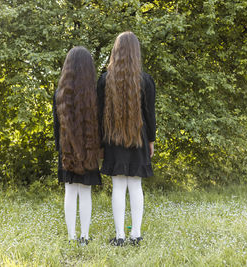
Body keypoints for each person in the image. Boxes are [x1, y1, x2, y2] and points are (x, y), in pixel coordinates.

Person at [97, 32, 156, 246]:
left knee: (119, 186)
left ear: (116, 51)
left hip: (113, 138)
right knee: (135, 186)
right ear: (135, 52)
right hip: (138, 137)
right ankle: (136, 235)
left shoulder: (105, 79)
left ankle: (120, 236)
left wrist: (100, 145)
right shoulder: (145, 80)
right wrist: (151, 140)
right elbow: (150, 115)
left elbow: (99, 115)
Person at [53, 46, 101, 245]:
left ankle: (72, 235)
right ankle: (85, 236)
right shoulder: (95, 93)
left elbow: (57, 127)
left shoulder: (59, 93)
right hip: (89, 149)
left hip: (67, 150)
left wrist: (60, 149)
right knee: (85, 192)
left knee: (70, 192)